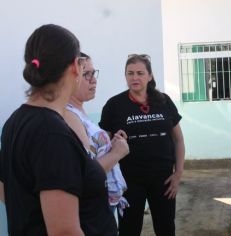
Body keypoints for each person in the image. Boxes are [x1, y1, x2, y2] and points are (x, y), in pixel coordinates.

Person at [0, 24, 117, 235]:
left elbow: (8, 190)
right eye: (83, 67)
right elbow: (64, 232)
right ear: (75, 66)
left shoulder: (15, 121)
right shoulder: (51, 133)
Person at [99, 54, 185, 236]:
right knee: (129, 229)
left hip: (164, 180)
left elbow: (178, 140)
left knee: (166, 228)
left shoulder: (164, 101)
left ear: (150, 76)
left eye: (140, 73)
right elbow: (103, 145)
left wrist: (178, 174)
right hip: (129, 182)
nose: (135, 77)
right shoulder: (114, 105)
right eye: (130, 73)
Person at [64, 52, 130, 217]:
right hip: (93, 210)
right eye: (86, 74)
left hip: (104, 203)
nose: (93, 79)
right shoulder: (68, 115)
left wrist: (110, 143)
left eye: (93, 73)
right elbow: (86, 173)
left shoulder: (78, 111)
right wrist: (117, 153)